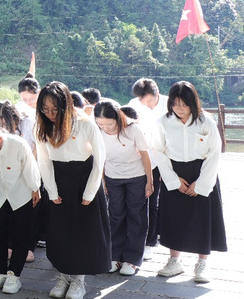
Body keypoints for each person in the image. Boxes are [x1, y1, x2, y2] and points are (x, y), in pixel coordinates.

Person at [36, 82, 109, 299]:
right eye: (45, 110)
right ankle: (63, 275)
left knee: (82, 231)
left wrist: (90, 191)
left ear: (66, 105)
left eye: (54, 109)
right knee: (58, 231)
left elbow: (100, 159)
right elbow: (43, 160)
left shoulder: (85, 124)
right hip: (58, 179)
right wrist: (51, 190)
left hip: (83, 178)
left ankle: (79, 279)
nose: (50, 114)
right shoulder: (43, 126)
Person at [151, 81, 227, 283]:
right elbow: (158, 150)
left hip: (201, 171)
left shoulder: (205, 121)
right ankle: (174, 261)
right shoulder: (163, 122)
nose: (179, 108)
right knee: (173, 217)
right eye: (175, 104)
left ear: (193, 102)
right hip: (174, 172)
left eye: (184, 104)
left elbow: (214, 152)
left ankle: (202, 263)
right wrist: (173, 179)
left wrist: (201, 184)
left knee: (203, 218)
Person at [0, 121, 41, 294]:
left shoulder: (18, 145)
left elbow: (30, 167)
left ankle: (14, 274)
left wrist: (35, 188)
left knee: (20, 233)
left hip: (21, 191)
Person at [94, 99, 153, 276]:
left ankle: (132, 259)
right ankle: (114, 256)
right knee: (115, 216)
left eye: (109, 124)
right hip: (112, 177)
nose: (106, 128)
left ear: (118, 118)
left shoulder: (132, 129)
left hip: (136, 177)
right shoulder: (97, 131)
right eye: (101, 124)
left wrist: (149, 181)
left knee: (136, 216)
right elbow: (100, 157)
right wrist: (103, 180)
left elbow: (145, 155)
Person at [128, 77, 168, 260]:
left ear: (157, 92)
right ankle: (135, 239)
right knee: (138, 200)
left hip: (162, 159)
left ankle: (150, 242)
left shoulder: (169, 104)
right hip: (139, 160)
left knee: (153, 201)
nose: (148, 105)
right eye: (144, 102)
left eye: (150, 101)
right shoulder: (133, 105)